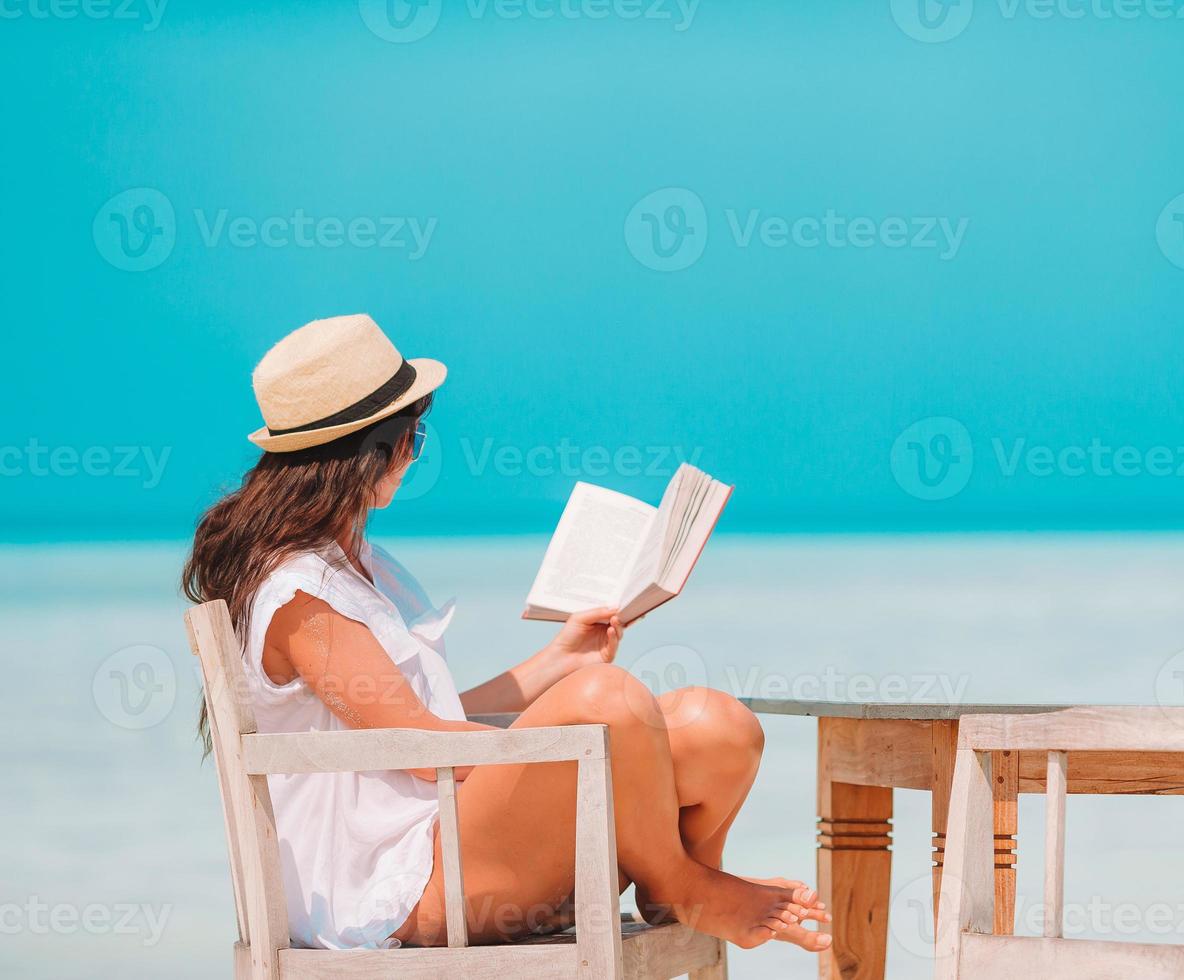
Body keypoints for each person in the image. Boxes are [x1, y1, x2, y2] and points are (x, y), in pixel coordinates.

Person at [182, 314, 831, 952]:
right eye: (414, 435)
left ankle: (674, 882)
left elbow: (424, 720)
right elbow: (417, 746)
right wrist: (586, 719)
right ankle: (684, 882)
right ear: (370, 452)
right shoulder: (299, 591)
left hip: (455, 844)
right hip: (399, 887)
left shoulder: (363, 567)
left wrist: (559, 660)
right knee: (606, 703)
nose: (414, 454)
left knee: (715, 723)